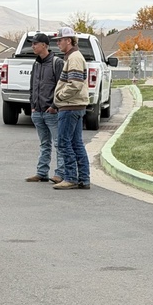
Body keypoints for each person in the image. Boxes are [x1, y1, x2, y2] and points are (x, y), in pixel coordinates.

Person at [52, 26, 91, 190]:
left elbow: (74, 84)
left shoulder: (74, 58)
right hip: (76, 106)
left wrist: (60, 97)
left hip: (70, 106)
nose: (58, 43)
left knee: (64, 142)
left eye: (60, 40)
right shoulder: (74, 56)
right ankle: (83, 178)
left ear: (69, 40)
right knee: (76, 143)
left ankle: (70, 177)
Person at [25, 32, 64, 184]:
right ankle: (41, 172)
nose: (33, 46)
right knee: (44, 144)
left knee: (58, 143)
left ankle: (60, 174)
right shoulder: (36, 64)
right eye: (32, 43)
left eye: (35, 43)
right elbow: (32, 86)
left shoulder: (57, 63)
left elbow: (62, 86)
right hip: (38, 112)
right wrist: (33, 106)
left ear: (45, 45)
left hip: (52, 112)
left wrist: (54, 106)